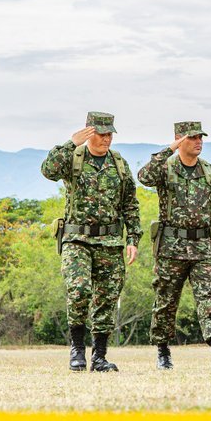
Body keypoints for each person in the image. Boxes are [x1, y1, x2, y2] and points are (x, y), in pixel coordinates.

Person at [137, 121, 211, 371]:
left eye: (200, 137)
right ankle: (163, 351)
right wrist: (168, 150)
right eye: (192, 137)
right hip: (171, 246)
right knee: (166, 300)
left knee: (210, 297)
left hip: (205, 246)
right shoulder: (165, 168)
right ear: (179, 139)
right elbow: (144, 177)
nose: (198, 141)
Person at [40, 111, 141, 372]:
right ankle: (77, 350)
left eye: (110, 134)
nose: (106, 139)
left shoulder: (119, 163)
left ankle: (100, 357)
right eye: (101, 133)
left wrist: (133, 238)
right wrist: (70, 143)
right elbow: (47, 170)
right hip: (77, 240)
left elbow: (130, 204)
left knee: (107, 297)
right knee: (80, 289)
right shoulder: (73, 158)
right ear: (88, 132)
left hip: (110, 241)